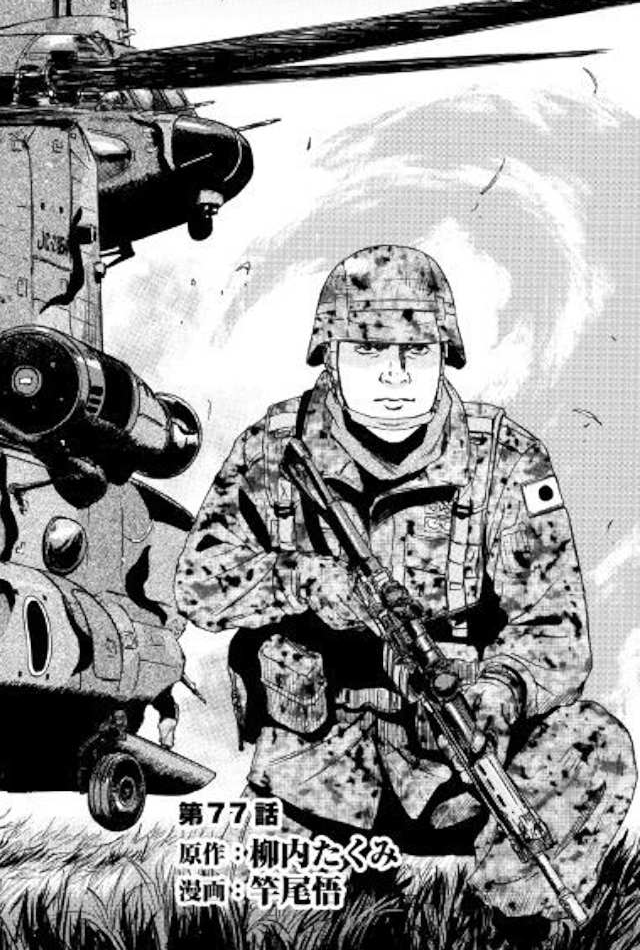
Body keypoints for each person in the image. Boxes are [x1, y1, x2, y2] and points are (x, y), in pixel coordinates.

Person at [176, 244, 635, 921]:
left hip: (456, 770)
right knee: (252, 923)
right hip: (313, 774)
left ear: (444, 353)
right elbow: (197, 583)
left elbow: (556, 632)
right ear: (330, 354)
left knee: (597, 747)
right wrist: (307, 581)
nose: (394, 374)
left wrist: (500, 691)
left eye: (415, 352)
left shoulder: (505, 462)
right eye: (368, 351)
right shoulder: (273, 449)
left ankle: (503, 915)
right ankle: (354, 890)